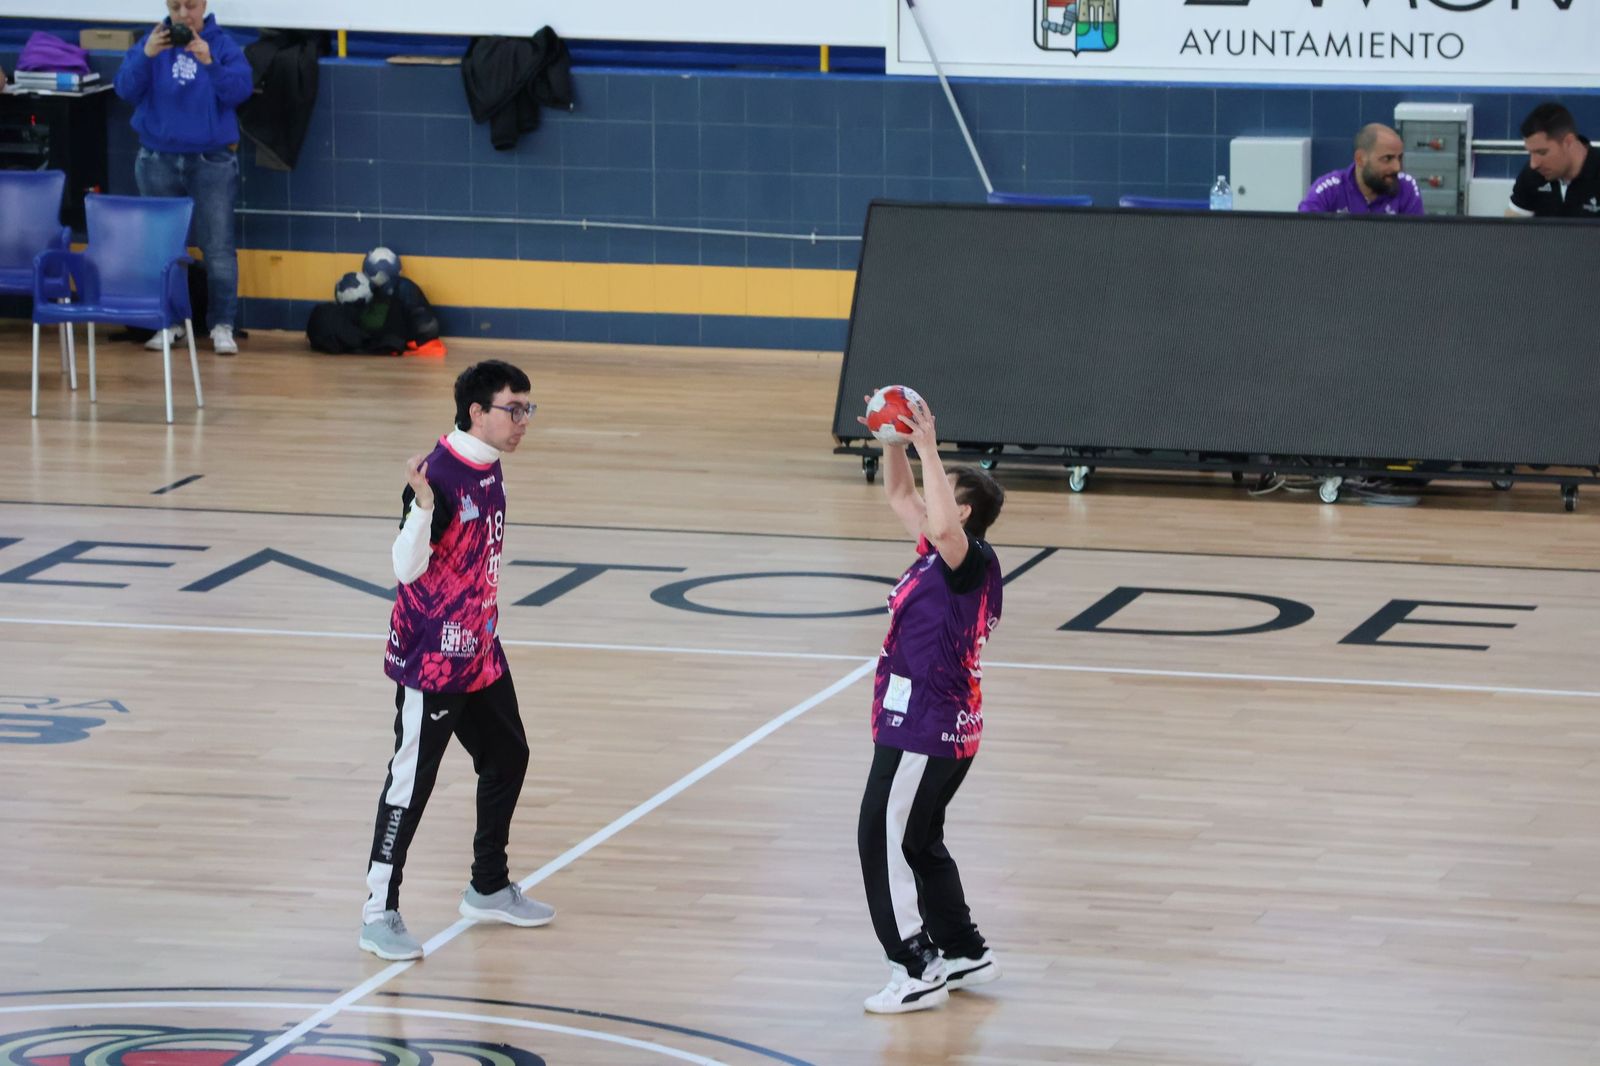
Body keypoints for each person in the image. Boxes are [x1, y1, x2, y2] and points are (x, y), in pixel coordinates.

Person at [360, 360, 553, 960]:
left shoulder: (489, 467)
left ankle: (488, 885)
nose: (523, 421)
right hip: (433, 662)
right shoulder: (438, 475)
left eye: (528, 409)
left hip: (480, 651)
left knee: (508, 756)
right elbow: (404, 567)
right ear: (477, 412)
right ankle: (378, 911)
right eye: (512, 409)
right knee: (410, 782)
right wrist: (419, 506)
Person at [854, 392, 1006, 1014]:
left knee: (879, 837)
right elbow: (899, 497)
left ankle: (914, 965)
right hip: (937, 725)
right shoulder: (937, 555)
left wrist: (927, 445)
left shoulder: (969, 561)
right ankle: (964, 950)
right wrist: (893, 443)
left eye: (943, 489)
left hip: (926, 727)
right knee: (918, 839)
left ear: (963, 511)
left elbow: (942, 524)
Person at [113, 0, 252, 355]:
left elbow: (240, 92)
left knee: (217, 246)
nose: (183, 15)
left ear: (203, 5)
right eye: (176, 6)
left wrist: (210, 62)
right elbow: (125, 90)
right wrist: (145, 55)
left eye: (190, 6)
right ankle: (168, 323)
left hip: (211, 160)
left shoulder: (223, 46)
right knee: (162, 248)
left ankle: (222, 325)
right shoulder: (151, 42)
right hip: (157, 157)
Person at [1299, 124, 1424, 216]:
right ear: (1360, 159)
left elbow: (1415, 242)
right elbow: (1305, 235)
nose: (1397, 167)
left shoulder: (1406, 187)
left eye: (1399, 158)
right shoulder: (1328, 190)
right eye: (1387, 158)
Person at [1506, 103, 1600, 220]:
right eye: (1531, 153)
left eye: (1542, 152)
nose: (1534, 164)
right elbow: (1510, 232)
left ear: (1568, 142)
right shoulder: (1532, 174)